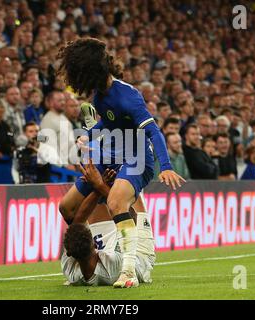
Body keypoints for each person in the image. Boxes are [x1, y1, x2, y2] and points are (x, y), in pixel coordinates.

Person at [57, 38, 184, 288]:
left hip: (137, 157)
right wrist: (90, 135)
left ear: (89, 71)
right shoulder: (100, 97)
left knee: (115, 202)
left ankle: (128, 271)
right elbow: (108, 123)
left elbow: (154, 131)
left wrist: (166, 165)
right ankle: (87, 250)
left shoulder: (128, 96)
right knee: (66, 207)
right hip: (111, 155)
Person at [62, 161, 155, 286]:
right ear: (95, 243)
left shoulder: (70, 268)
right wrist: (100, 185)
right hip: (138, 254)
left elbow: (78, 222)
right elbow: (131, 216)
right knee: (126, 192)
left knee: (92, 198)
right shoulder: (114, 267)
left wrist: (96, 188)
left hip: (106, 252)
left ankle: (108, 158)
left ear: (68, 253)